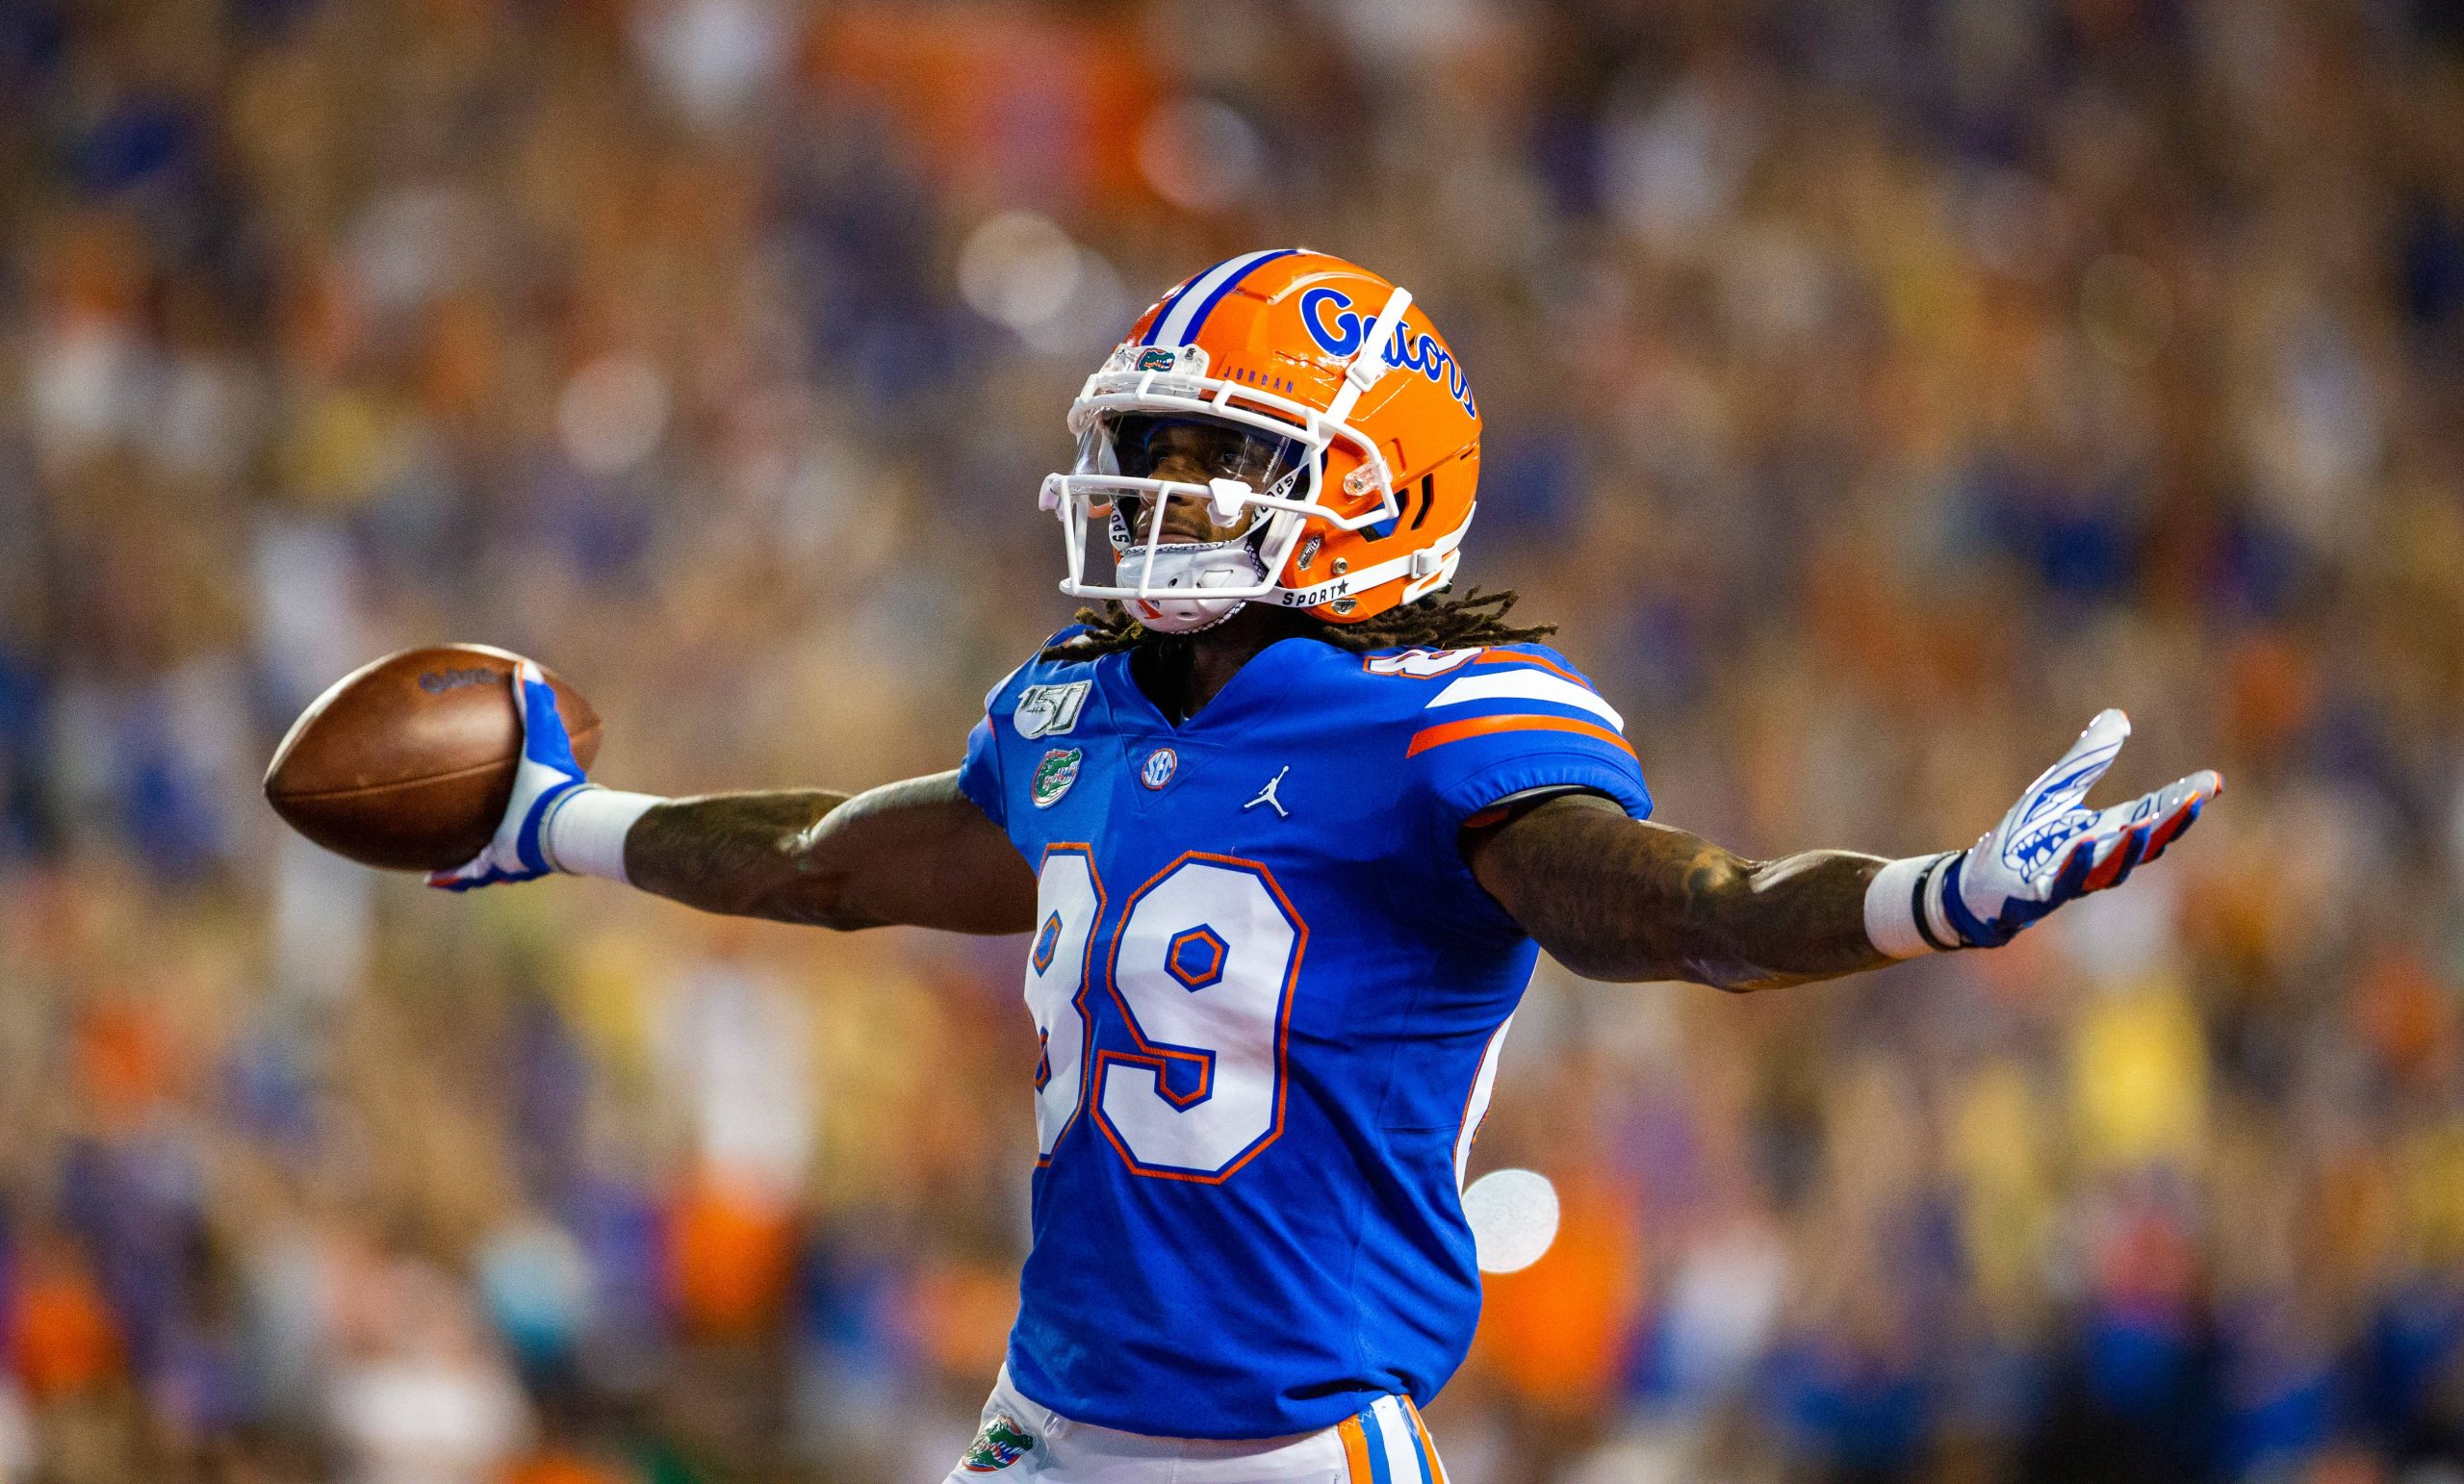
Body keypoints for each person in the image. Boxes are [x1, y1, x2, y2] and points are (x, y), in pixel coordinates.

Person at [434, 250, 2220, 1483]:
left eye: (1215, 456)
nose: (1151, 489)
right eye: (1142, 449)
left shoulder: (1449, 714)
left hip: (1297, 1445)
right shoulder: (1072, 705)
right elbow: (835, 867)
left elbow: (1690, 912)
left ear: (1373, 490)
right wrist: (556, 821)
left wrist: (1936, 897)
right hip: (1045, 1422)